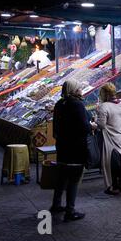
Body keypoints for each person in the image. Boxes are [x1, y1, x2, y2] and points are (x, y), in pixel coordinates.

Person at [50, 79, 97, 221]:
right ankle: (70, 211)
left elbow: (55, 128)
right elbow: (84, 127)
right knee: (74, 179)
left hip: (62, 147)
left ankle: (56, 205)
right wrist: (92, 126)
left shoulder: (59, 104)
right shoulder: (77, 104)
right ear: (74, 89)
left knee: (61, 178)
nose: (81, 90)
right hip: (75, 148)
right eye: (79, 88)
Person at [96, 83, 121, 195]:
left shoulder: (104, 107)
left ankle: (113, 187)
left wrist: (97, 116)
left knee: (111, 164)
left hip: (111, 140)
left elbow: (101, 125)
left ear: (105, 94)